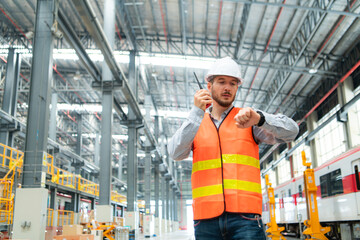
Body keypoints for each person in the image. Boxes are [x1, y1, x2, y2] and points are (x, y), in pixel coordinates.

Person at [168, 56, 299, 240]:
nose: (227, 88)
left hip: (245, 218)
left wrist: (261, 118)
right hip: (206, 220)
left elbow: (292, 132)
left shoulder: (248, 119)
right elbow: (175, 153)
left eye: (233, 83)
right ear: (209, 86)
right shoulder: (195, 123)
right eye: (221, 82)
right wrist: (196, 113)